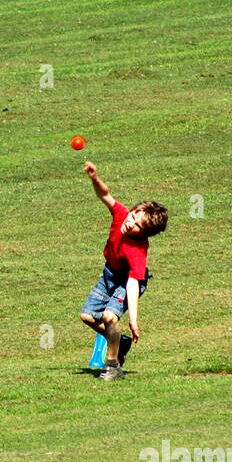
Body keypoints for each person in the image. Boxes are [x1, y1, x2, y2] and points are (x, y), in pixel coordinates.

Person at [78, 163, 167, 380]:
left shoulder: (137, 250)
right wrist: (94, 178)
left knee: (110, 316)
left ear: (145, 233)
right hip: (109, 274)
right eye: (133, 216)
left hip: (127, 281)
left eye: (138, 225)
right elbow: (105, 195)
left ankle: (112, 367)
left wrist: (133, 320)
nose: (131, 223)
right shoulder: (121, 215)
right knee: (87, 316)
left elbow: (133, 283)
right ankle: (121, 341)